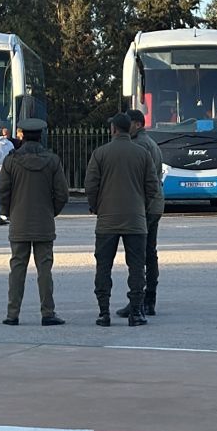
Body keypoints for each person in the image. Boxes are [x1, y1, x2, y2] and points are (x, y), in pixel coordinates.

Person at [84, 113, 160, 327]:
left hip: (107, 219)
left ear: (114, 129)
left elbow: (91, 185)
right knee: (136, 266)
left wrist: (97, 207)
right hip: (136, 219)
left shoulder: (100, 153)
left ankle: (103, 312)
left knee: (103, 266)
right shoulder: (142, 153)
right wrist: (141, 206)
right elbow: (152, 186)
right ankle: (136, 312)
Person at [0, 119, 69, 326]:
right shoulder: (52, 161)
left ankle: (12, 314)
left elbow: (3, 192)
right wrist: (51, 212)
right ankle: (48, 312)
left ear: (22, 136)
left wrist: (10, 213)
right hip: (44, 222)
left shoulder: (11, 161)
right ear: (41, 136)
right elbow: (62, 194)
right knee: (45, 269)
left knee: (17, 268)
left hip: (19, 221)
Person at [117, 109, 165, 317]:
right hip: (154, 204)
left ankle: (139, 300)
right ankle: (149, 300)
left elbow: (140, 179)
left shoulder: (139, 145)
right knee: (149, 252)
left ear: (137, 124)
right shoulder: (150, 142)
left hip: (144, 206)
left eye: (128, 122)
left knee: (138, 255)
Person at [0, 126, 16, 223]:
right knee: (8, 192)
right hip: (8, 170)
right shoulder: (10, 144)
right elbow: (13, 156)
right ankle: (6, 213)